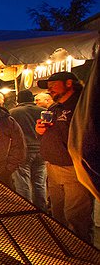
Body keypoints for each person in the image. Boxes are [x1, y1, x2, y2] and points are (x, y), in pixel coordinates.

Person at [36, 71, 94, 243]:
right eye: (49, 86)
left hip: (74, 168)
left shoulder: (82, 106)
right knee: (57, 214)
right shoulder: (53, 108)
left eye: (54, 84)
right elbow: (48, 134)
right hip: (52, 167)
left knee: (76, 216)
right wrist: (40, 132)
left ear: (69, 83)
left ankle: (83, 255)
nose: (50, 89)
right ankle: (64, 252)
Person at [10, 90, 47, 211]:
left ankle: (27, 212)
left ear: (18, 100)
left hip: (23, 152)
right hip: (41, 151)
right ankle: (42, 211)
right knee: (39, 183)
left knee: (23, 183)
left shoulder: (13, 113)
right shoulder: (43, 111)